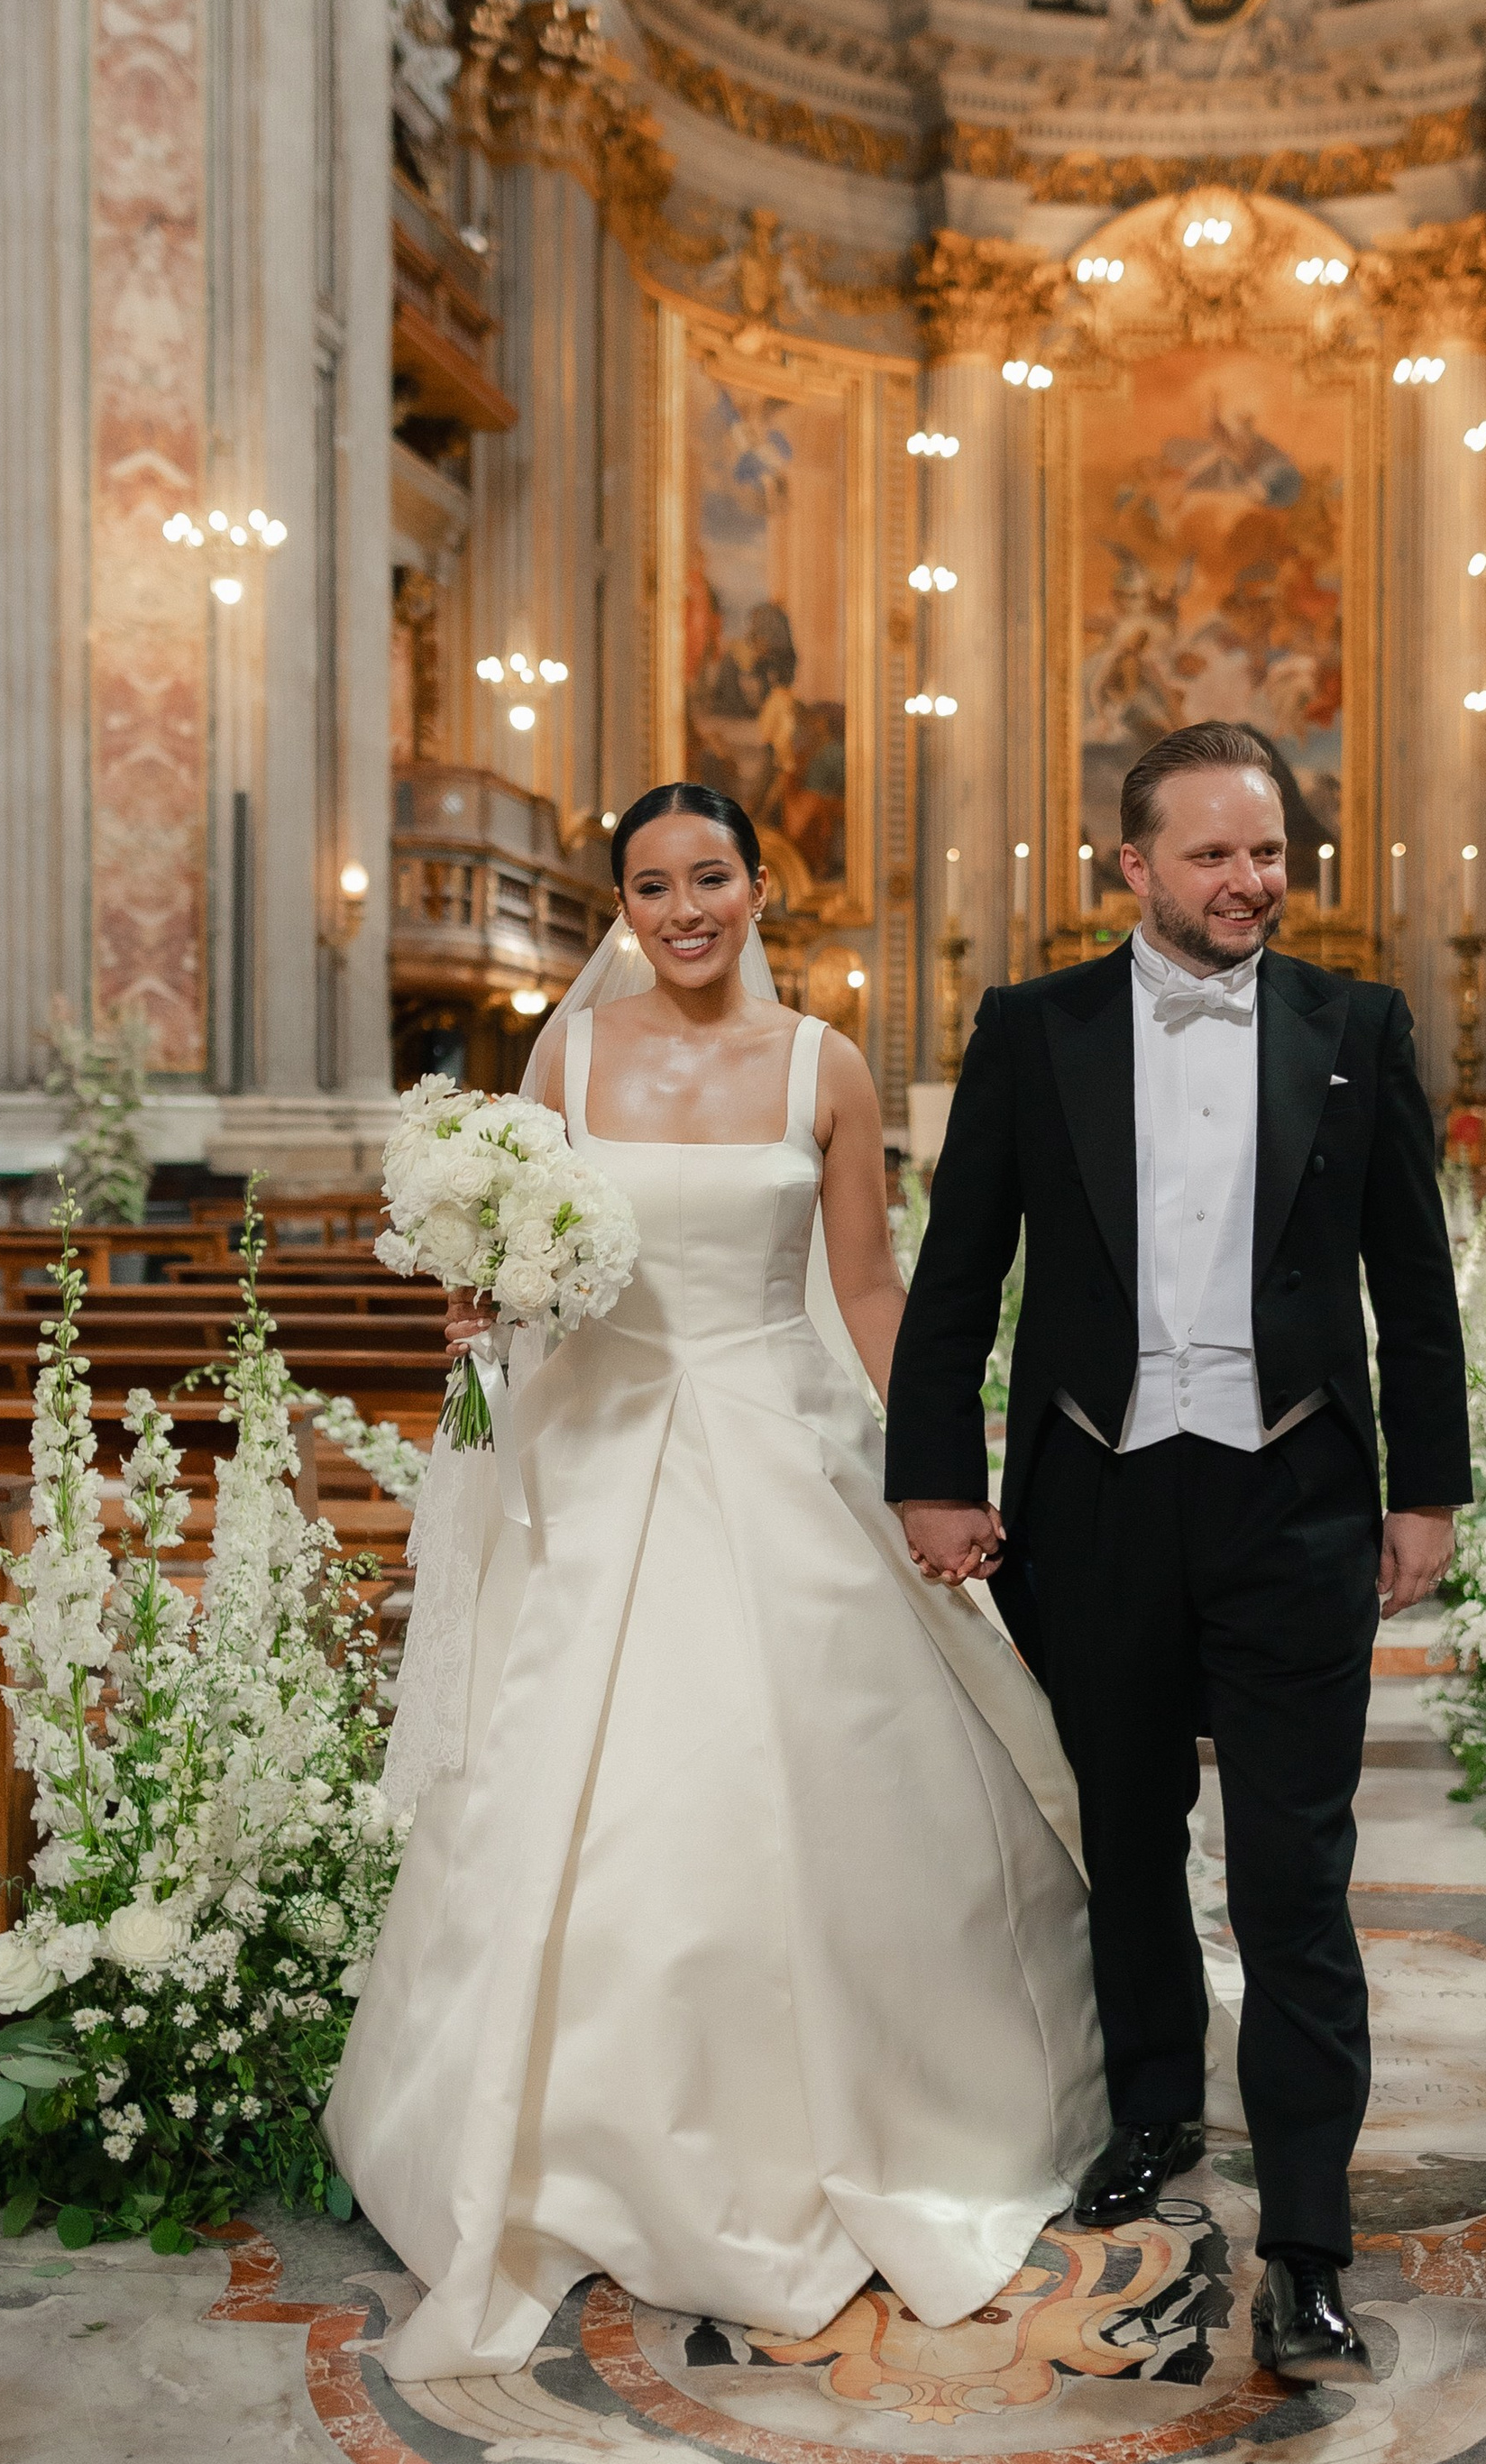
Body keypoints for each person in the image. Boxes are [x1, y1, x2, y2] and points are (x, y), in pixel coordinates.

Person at [327, 783, 1103, 2382]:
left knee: (817, 1767)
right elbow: (525, 1262)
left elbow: (869, 1285)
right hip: (596, 1450)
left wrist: (940, 1465)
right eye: (650, 884)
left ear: (758, 888)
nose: (683, 909)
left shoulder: (824, 1064)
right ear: (621, 904)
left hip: (775, 1437)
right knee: (583, 1791)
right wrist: (484, 1307)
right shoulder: (567, 1058)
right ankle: (570, 2145)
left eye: (710, 878)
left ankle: (877, 2113)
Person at [885, 723, 1471, 2386]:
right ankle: (1150, 2109)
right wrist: (934, 1476)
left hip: (1297, 1501)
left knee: (1295, 1874)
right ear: (1133, 864)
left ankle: (1312, 2242)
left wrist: (1427, 1491)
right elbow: (958, 1269)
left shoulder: (1357, 1027)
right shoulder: (1035, 1028)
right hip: (1096, 1495)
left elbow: (1413, 1282)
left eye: (1268, 850)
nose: (1248, 880)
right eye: (1212, 853)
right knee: (1128, 1840)